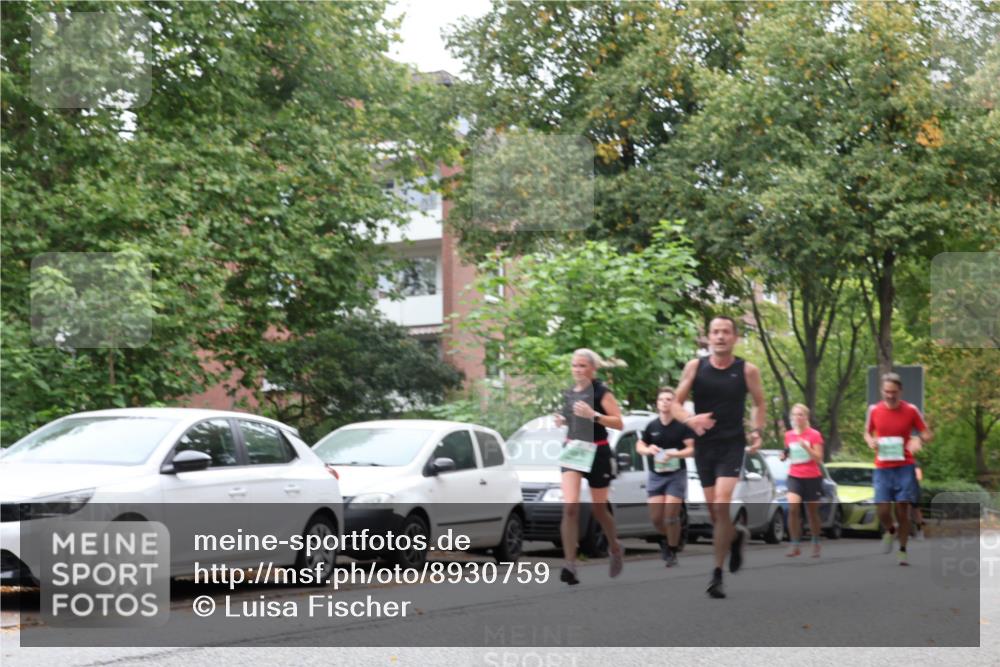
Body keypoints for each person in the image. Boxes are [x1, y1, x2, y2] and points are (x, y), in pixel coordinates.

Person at [672, 316, 767, 599]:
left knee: (723, 503)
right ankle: (736, 536)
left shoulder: (747, 370)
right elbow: (676, 404)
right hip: (705, 446)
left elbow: (760, 403)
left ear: (735, 338)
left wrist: (757, 429)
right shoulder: (695, 366)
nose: (720, 336)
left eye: (726, 332)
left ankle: (717, 574)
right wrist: (691, 419)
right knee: (716, 513)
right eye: (715, 332)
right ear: (709, 337)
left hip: (731, 444)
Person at [553, 348, 625, 585]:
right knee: (570, 507)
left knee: (599, 509)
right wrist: (562, 420)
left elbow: (619, 422)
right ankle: (570, 565)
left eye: (583, 365)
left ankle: (615, 548)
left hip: (598, 450)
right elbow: (571, 419)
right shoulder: (569, 394)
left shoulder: (601, 392)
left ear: (593, 369)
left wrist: (594, 415)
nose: (578, 370)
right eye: (575, 365)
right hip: (574, 449)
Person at [864, 372, 933, 566]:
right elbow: (867, 433)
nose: (890, 395)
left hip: (904, 467)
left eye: (893, 392)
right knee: (883, 510)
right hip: (883, 467)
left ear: (900, 391)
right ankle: (890, 530)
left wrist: (919, 439)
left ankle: (902, 550)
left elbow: (927, 433)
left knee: (903, 509)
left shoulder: (911, 410)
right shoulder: (874, 410)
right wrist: (871, 441)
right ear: (881, 391)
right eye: (886, 391)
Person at [636, 387, 695, 568]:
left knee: (670, 515)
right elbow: (640, 446)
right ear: (657, 403)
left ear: (674, 403)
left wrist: (675, 455)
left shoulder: (681, 426)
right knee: (656, 518)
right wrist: (648, 450)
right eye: (661, 399)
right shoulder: (652, 426)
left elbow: (692, 449)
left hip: (676, 475)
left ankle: (672, 549)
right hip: (656, 475)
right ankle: (666, 539)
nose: (664, 402)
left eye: (669, 399)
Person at [781, 404, 825, 558]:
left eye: (801, 415)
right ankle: (795, 544)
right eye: (795, 415)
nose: (797, 417)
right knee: (793, 508)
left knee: (812, 513)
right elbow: (788, 451)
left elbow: (819, 459)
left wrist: (807, 448)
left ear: (806, 417)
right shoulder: (789, 435)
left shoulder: (814, 435)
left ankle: (815, 540)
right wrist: (784, 455)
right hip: (794, 475)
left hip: (812, 476)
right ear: (792, 417)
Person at [913, 463, 926, 540]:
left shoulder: (915, 464)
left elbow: (919, 477)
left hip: (914, 491)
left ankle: (920, 532)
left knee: (916, 512)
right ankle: (909, 532)